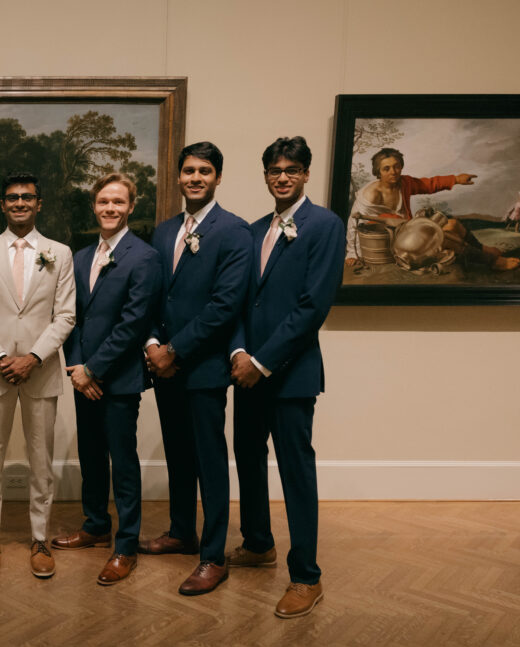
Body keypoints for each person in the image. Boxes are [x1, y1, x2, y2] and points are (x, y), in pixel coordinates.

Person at [228, 137, 345, 618]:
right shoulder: (253, 230)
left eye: (292, 170)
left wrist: (262, 362)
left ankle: (306, 576)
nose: (282, 177)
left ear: (306, 174)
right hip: (245, 369)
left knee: (296, 470)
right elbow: (235, 299)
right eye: (275, 170)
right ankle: (258, 543)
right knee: (249, 457)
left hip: (290, 374)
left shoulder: (325, 226)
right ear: (265, 175)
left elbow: (312, 306)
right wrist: (239, 352)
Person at [142, 142, 252, 595]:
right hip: (163, 366)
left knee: (210, 461)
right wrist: (152, 345)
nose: (195, 178)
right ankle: (181, 532)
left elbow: (226, 305)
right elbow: (149, 293)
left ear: (218, 178)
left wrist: (175, 350)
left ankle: (213, 555)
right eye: (188, 170)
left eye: (204, 171)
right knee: (178, 454)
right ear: (179, 176)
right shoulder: (164, 231)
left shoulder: (234, 231)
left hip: (203, 367)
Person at [0, 172, 76, 580]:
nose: (20, 203)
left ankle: (39, 538)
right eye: (13, 198)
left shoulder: (59, 253)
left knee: (40, 462)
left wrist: (33, 358)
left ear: (38, 204)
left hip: (41, 373)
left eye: (28, 197)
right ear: (3, 205)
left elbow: (66, 315)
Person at [51, 172, 162, 586]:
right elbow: (70, 318)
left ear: (131, 206)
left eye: (118, 202)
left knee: (122, 460)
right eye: (103, 202)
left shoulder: (144, 257)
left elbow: (134, 324)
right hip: (83, 376)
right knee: (91, 455)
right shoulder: (79, 258)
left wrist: (94, 369)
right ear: (94, 206)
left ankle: (126, 544)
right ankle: (95, 524)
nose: (110, 209)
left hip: (119, 379)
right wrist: (77, 369)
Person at [347, 147, 518, 270]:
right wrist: (351, 254)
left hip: (412, 232)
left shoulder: (404, 183)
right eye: (386, 168)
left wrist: (456, 179)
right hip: (396, 245)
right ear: (378, 171)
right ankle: (491, 261)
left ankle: (484, 249)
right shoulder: (371, 195)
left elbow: (427, 184)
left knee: (453, 224)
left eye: (397, 166)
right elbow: (354, 222)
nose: (393, 171)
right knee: (442, 236)